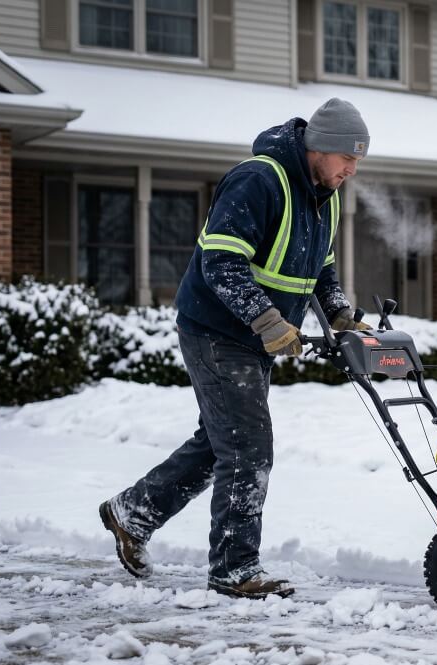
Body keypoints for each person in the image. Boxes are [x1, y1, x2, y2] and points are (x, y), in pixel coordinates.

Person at [99, 98, 371, 599]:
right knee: (249, 449)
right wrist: (269, 321)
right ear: (320, 148)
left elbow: (321, 268)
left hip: (253, 338)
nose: (352, 169)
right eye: (347, 158)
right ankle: (234, 568)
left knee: (220, 443)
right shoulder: (258, 180)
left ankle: (133, 511)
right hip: (216, 331)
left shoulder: (323, 197)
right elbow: (221, 263)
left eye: (358, 160)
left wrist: (339, 313)